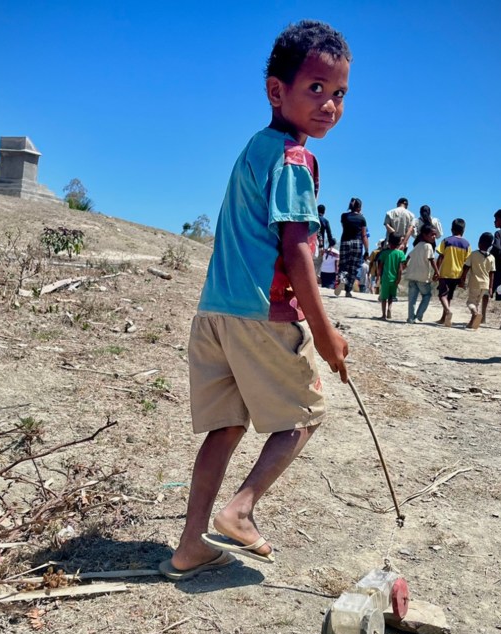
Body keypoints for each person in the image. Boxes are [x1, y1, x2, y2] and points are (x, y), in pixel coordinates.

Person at [161, 20, 351, 581]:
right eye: (316, 88)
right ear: (276, 90)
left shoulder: (253, 150)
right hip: (261, 315)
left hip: (214, 313)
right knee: (305, 416)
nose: (330, 104)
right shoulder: (294, 159)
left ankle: (190, 546)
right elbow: (297, 250)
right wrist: (325, 333)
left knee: (226, 427)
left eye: (340, 93)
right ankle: (240, 509)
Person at [435, 218, 471, 326]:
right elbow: (467, 262)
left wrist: (436, 271)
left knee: (442, 295)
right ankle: (444, 318)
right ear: (463, 230)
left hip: (445, 272)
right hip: (457, 274)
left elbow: (440, 257)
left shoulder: (446, 241)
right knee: (449, 296)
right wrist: (463, 278)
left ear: (452, 229)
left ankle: (448, 311)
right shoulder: (467, 244)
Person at [404, 225, 440, 323]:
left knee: (412, 299)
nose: (434, 237)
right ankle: (418, 316)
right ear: (424, 235)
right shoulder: (428, 246)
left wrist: (405, 265)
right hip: (422, 277)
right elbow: (432, 260)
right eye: (432, 234)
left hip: (412, 276)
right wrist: (437, 272)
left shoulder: (417, 245)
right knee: (427, 295)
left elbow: (408, 256)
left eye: (435, 235)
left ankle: (411, 317)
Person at [462, 231, 495, 329]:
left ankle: (475, 314)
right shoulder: (492, 258)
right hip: (485, 284)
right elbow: (492, 273)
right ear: (490, 245)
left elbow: (466, 268)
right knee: (477, 303)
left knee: (470, 303)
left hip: (475, 283)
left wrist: (462, 279)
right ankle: (472, 323)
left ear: (479, 243)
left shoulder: (473, 254)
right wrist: (491, 287)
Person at [336, 197, 368, 297]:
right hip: (357, 243)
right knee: (353, 267)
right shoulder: (362, 219)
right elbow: (364, 235)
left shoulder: (344, 216)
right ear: (359, 207)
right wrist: (367, 250)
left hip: (345, 241)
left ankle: (342, 280)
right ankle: (348, 290)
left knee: (343, 265)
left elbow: (344, 228)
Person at [376, 233, 406, 319]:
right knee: (391, 296)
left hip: (385, 278)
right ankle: (389, 309)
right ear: (399, 243)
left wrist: (378, 276)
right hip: (395, 279)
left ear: (389, 242)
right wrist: (399, 278)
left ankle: (383, 315)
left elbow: (380, 266)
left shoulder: (384, 253)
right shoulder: (401, 253)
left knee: (383, 297)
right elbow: (400, 269)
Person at [313, 204, 335, 279]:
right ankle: (314, 278)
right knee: (318, 262)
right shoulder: (325, 221)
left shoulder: (313, 219)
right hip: (320, 244)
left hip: (310, 242)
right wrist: (331, 244)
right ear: (324, 212)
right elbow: (329, 234)